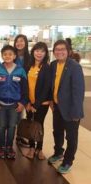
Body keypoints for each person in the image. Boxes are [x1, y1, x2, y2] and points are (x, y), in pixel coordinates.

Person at [48, 40, 85, 174]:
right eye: (57, 49)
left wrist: (76, 113)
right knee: (57, 131)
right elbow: (52, 85)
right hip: (57, 107)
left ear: (68, 51)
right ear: (54, 52)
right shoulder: (53, 65)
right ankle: (58, 152)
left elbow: (78, 91)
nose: (59, 52)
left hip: (71, 109)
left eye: (62, 49)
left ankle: (68, 161)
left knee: (71, 137)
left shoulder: (74, 67)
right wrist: (52, 101)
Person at [0, 45, 28, 159]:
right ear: (2, 55)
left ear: (14, 56)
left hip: (15, 105)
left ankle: (9, 147)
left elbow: (25, 89)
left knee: (12, 126)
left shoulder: (20, 70)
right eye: (5, 54)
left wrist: (22, 102)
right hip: (1, 104)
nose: (7, 56)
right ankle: (2, 147)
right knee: (1, 126)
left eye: (10, 54)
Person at [25, 42, 51, 160]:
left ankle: (39, 148)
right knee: (31, 123)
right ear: (33, 51)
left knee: (39, 124)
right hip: (29, 103)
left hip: (41, 103)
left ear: (45, 53)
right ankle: (31, 147)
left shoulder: (46, 67)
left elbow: (46, 87)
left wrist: (36, 104)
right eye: (37, 50)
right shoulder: (28, 66)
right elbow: (24, 85)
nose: (39, 53)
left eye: (42, 51)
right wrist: (28, 102)